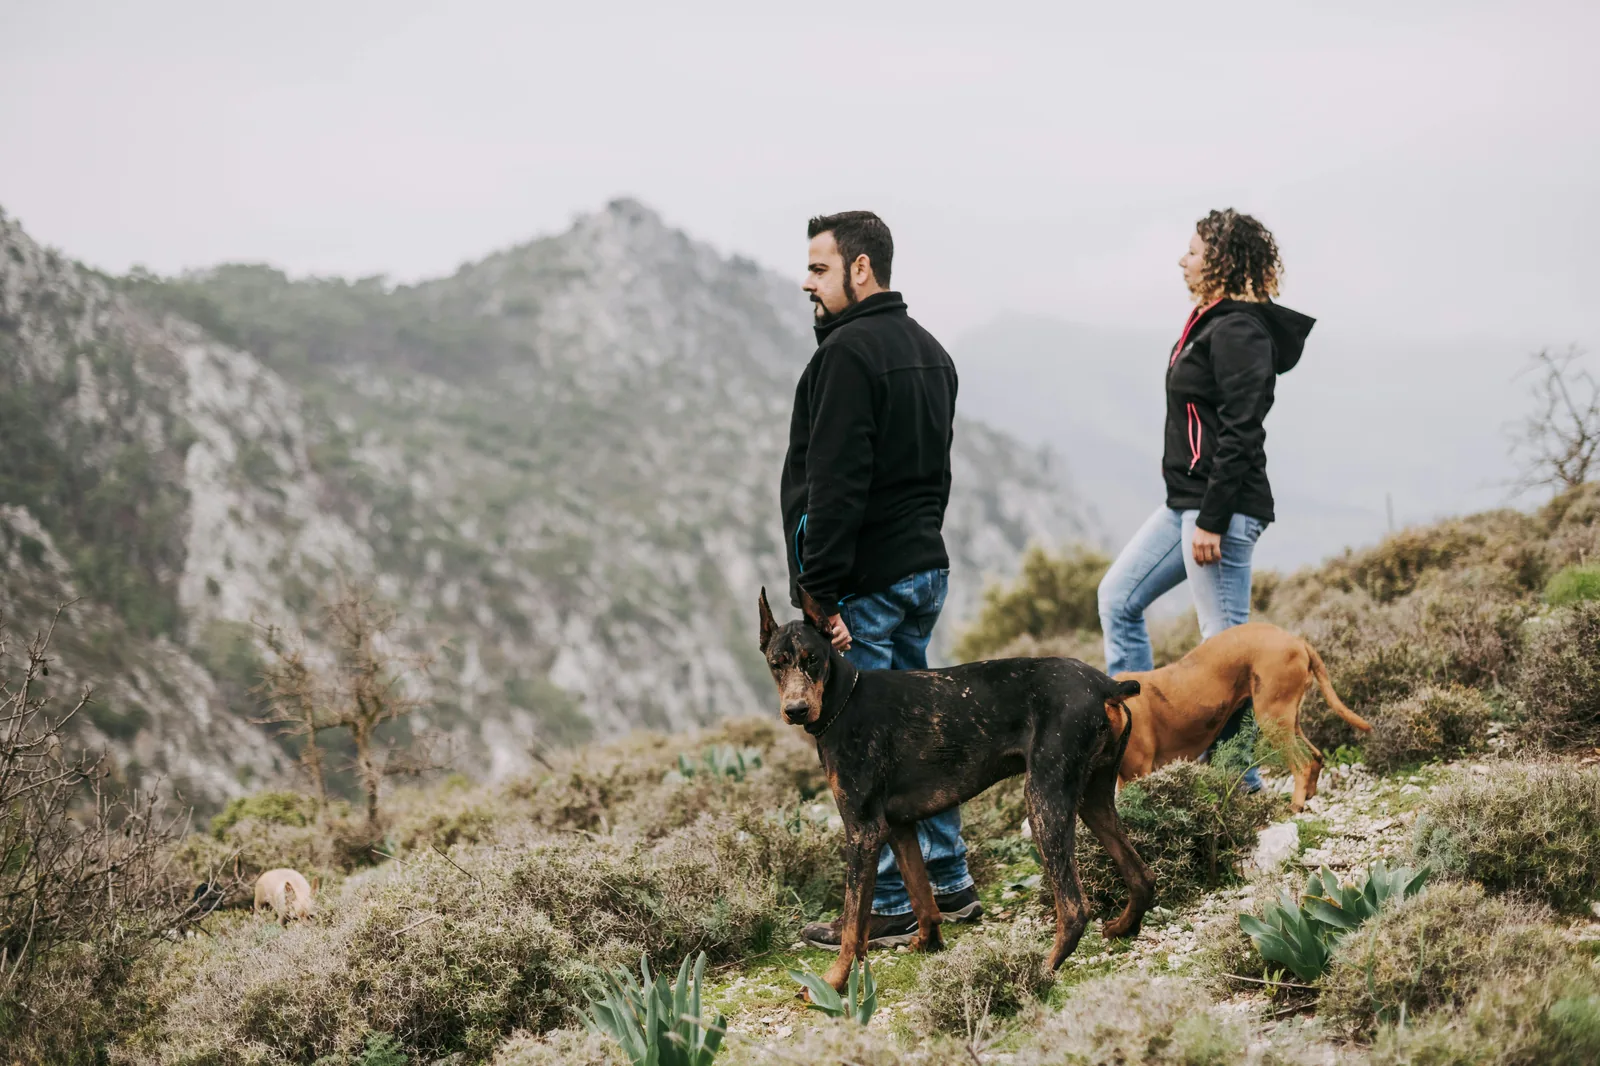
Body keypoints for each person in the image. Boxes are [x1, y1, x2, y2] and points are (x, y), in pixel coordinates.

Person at [781, 210, 982, 949]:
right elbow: (938, 474)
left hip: (865, 585)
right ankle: (949, 880)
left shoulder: (846, 356)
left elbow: (836, 484)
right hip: (923, 569)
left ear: (861, 269)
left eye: (820, 268)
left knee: (868, 747)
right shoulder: (932, 352)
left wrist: (822, 596)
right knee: (923, 733)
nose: (808, 282)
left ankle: (896, 900)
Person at [1097, 209, 1314, 790]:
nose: (1182, 259)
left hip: (1222, 509)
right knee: (1117, 596)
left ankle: (1237, 787)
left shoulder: (1239, 330)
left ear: (1219, 260)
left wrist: (1213, 520)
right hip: (1184, 505)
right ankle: (1129, 741)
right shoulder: (1208, 319)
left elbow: (1244, 431)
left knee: (1227, 649)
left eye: (1192, 251)